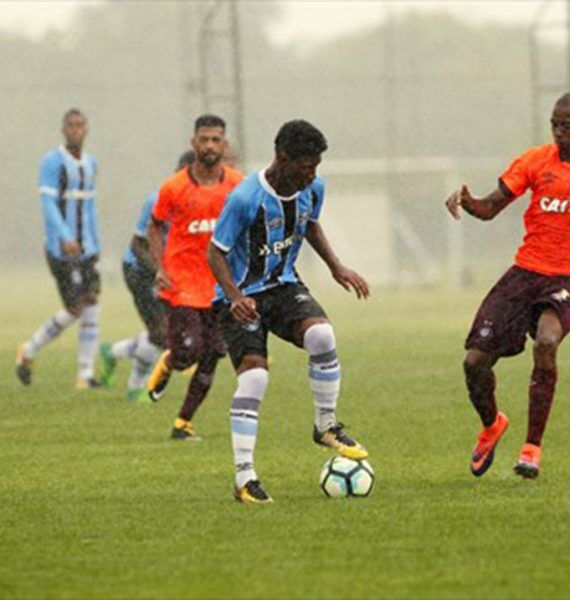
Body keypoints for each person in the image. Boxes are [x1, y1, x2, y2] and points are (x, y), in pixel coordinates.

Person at [208, 119, 370, 504]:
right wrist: (234, 297)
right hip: (241, 296)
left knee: (322, 335)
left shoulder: (312, 186)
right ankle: (245, 478)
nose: (311, 175)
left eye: (316, 167)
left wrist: (336, 267)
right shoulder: (245, 197)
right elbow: (215, 252)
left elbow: (310, 224)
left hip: (282, 287)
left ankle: (326, 425)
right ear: (282, 158)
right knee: (254, 379)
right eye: (305, 167)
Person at [445, 91, 570, 479]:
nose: (558, 131)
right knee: (474, 361)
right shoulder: (535, 161)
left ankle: (531, 449)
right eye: (554, 124)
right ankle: (492, 424)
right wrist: (467, 201)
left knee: (546, 341)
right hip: (527, 270)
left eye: (567, 125)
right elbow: (489, 208)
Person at [146, 115, 244, 440]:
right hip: (183, 284)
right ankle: (170, 362)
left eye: (216, 139)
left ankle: (182, 423)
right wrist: (160, 266)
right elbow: (155, 225)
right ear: (194, 143)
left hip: (220, 285)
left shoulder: (237, 185)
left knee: (214, 354)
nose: (210, 146)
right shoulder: (174, 187)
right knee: (189, 351)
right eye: (204, 139)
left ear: (224, 145)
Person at [99, 151, 196, 401]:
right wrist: (159, 271)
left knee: (173, 333)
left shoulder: (196, 204)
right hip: (139, 270)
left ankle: (114, 352)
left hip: (170, 273)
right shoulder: (158, 199)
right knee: (161, 333)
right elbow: (137, 244)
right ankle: (136, 388)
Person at [16, 109, 101, 389]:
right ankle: (29, 350)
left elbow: (89, 207)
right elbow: (48, 204)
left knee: (92, 301)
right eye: (71, 126)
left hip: (86, 248)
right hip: (60, 249)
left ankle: (85, 374)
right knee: (75, 307)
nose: (76, 130)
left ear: (87, 129)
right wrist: (64, 236)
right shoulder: (52, 163)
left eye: (80, 125)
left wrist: (94, 242)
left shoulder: (91, 164)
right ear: (64, 130)